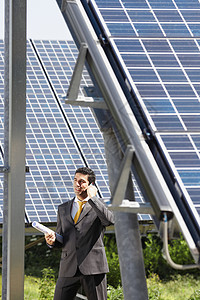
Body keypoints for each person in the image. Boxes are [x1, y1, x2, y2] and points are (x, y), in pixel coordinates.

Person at [45, 166, 114, 300]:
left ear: (90, 185)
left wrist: (93, 198)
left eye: (81, 181)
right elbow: (62, 238)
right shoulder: (63, 208)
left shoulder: (99, 205)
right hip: (68, 267)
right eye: (75, 180)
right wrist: (52, 241)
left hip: (93, 267)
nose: (77, 184)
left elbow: (109, 221)